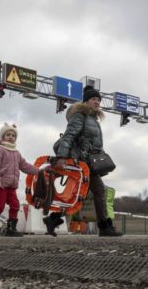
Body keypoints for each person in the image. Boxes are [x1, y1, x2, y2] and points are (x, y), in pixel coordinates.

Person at [50, 85, 122, 237]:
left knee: (92, 192)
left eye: (98, 100)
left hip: (89, 163)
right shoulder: (80, 116)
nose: (97, 102)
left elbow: (93, 142)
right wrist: (62, 157)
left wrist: (100, 155)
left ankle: (104, 226)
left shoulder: (93, 119)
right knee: (81, 193)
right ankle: (103, 226)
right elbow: (69, 136)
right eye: (93, 99)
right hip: (80, 162)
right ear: (86, 102)